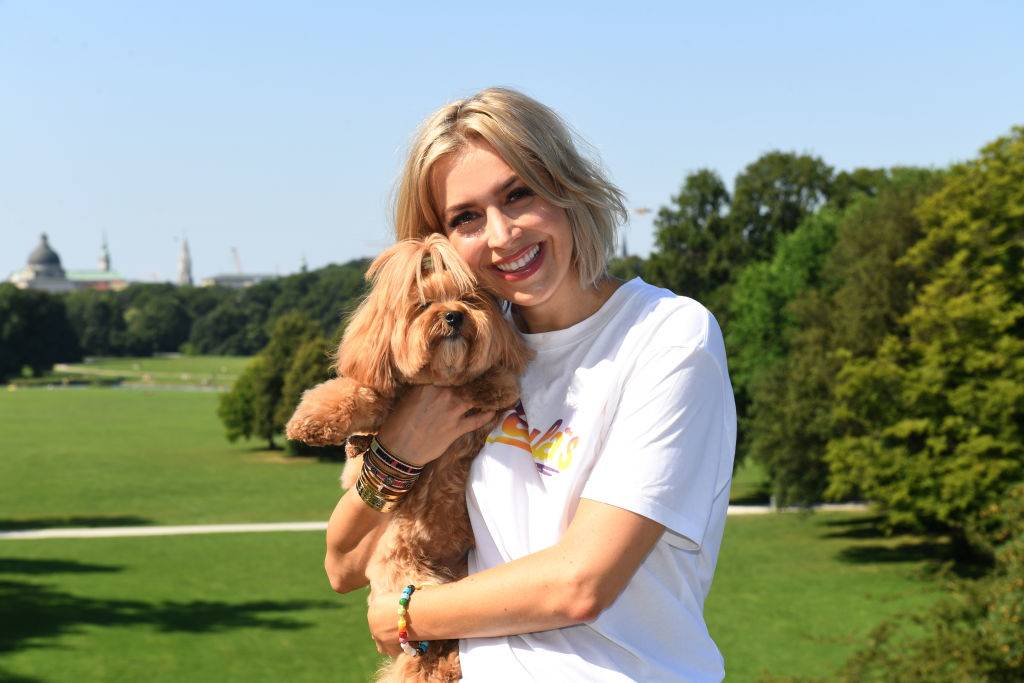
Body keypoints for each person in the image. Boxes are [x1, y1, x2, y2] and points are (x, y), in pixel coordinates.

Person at [324, 87, 737, 682]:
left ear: (566, 190)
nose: (501, 235)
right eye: (466, 217)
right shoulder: (468, 355)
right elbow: (345, 566)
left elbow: (580, 583)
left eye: (518, 195)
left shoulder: (668, 337)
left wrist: (413, 614)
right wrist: (398, 453)